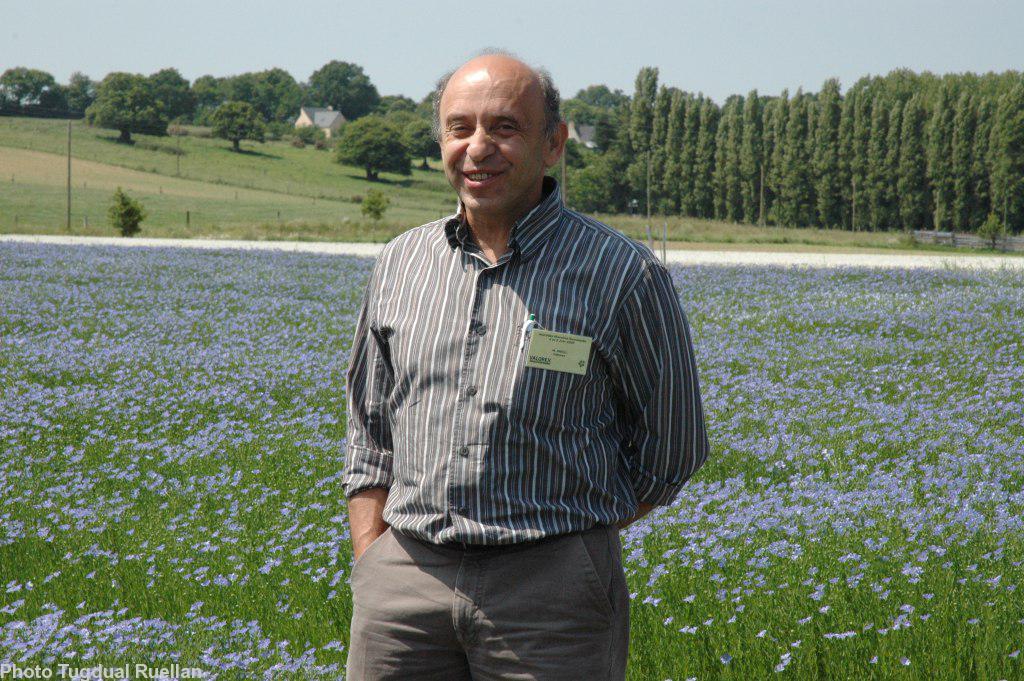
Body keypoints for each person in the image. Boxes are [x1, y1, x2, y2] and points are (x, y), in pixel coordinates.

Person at [342, 50, 709, 680]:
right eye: (460, 128)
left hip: (551, 599)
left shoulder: (622, 274)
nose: (478, 147)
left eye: (505, 128)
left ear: (554, 144)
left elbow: (672, 446)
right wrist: (371, 557)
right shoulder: (402, 262)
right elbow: (370, 426)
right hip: (403, 585)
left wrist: (569, 538)